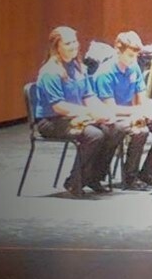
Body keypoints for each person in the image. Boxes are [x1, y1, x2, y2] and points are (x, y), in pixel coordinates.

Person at [33, 26, 124, 197]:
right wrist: (90, 113)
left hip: (76, 115)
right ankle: (74, 181)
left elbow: (89, 96)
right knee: (94, 135)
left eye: (74, 41)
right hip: (52, 120)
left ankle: (93, 178)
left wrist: (104, 112)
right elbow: (59, 106)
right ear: (56, 47)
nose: (73, 46)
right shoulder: (50, 72)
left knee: (115, 129)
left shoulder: (79, 67)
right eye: (68, 43)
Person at [92, 31, 152, 190]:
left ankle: (149, 173)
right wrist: (137, 111)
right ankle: (130, 177)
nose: (134, 60)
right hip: (112, 117)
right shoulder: (105, 73)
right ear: (118, 51)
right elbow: (110, 108)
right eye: (130, 55)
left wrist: (150, 109)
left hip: (132, 112)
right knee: (140, 131)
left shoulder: (134, 67)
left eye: (136, 56)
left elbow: (141, 96)